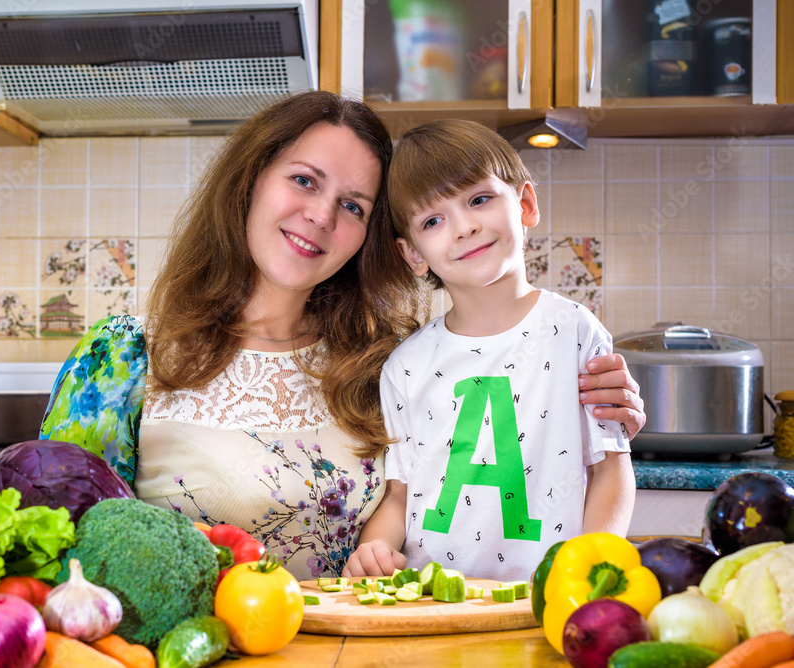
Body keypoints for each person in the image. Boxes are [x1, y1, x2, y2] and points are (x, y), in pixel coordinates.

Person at [40, 92, 646, 581]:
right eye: (304, 181)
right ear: (250, 180)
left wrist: (607, 409)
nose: (323, 216)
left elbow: (516, 435)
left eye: (354, 206)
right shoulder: (122, 357)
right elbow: (56, 550)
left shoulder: (387, 362)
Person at [343, 119, 636, 583]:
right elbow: (399, 496)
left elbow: (609, 472)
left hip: (548, 597)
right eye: (433, 220)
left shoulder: (574, 331)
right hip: (431, 602)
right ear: (413, 255)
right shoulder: (405, 366)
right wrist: (374, 550)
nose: (465, 227)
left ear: (525, 204)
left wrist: (591, 569)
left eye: (478, 199)